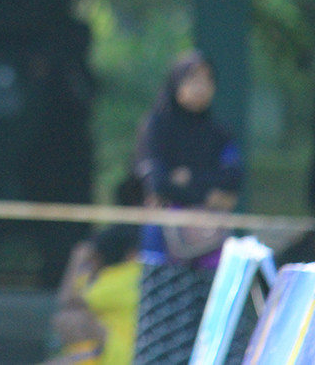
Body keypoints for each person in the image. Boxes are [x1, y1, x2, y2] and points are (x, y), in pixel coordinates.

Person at [131, 50, 247, 365]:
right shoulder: (156, 126)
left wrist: (189, 179)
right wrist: (209, 192)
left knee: (218, 339)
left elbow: (233, 180)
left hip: (212, 253)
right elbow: (158, 183)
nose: (201, 86)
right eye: (193, 78)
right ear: (176, 83)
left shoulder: (219, 133)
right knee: (164, 340)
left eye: (208, 79)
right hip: (165, 252)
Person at [45, 224, 141, 365]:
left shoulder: (127, 274)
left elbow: (68, 300)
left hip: (127, 353)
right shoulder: (106, 276)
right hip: (108, 351)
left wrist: (77, 259)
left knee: (72, 318)